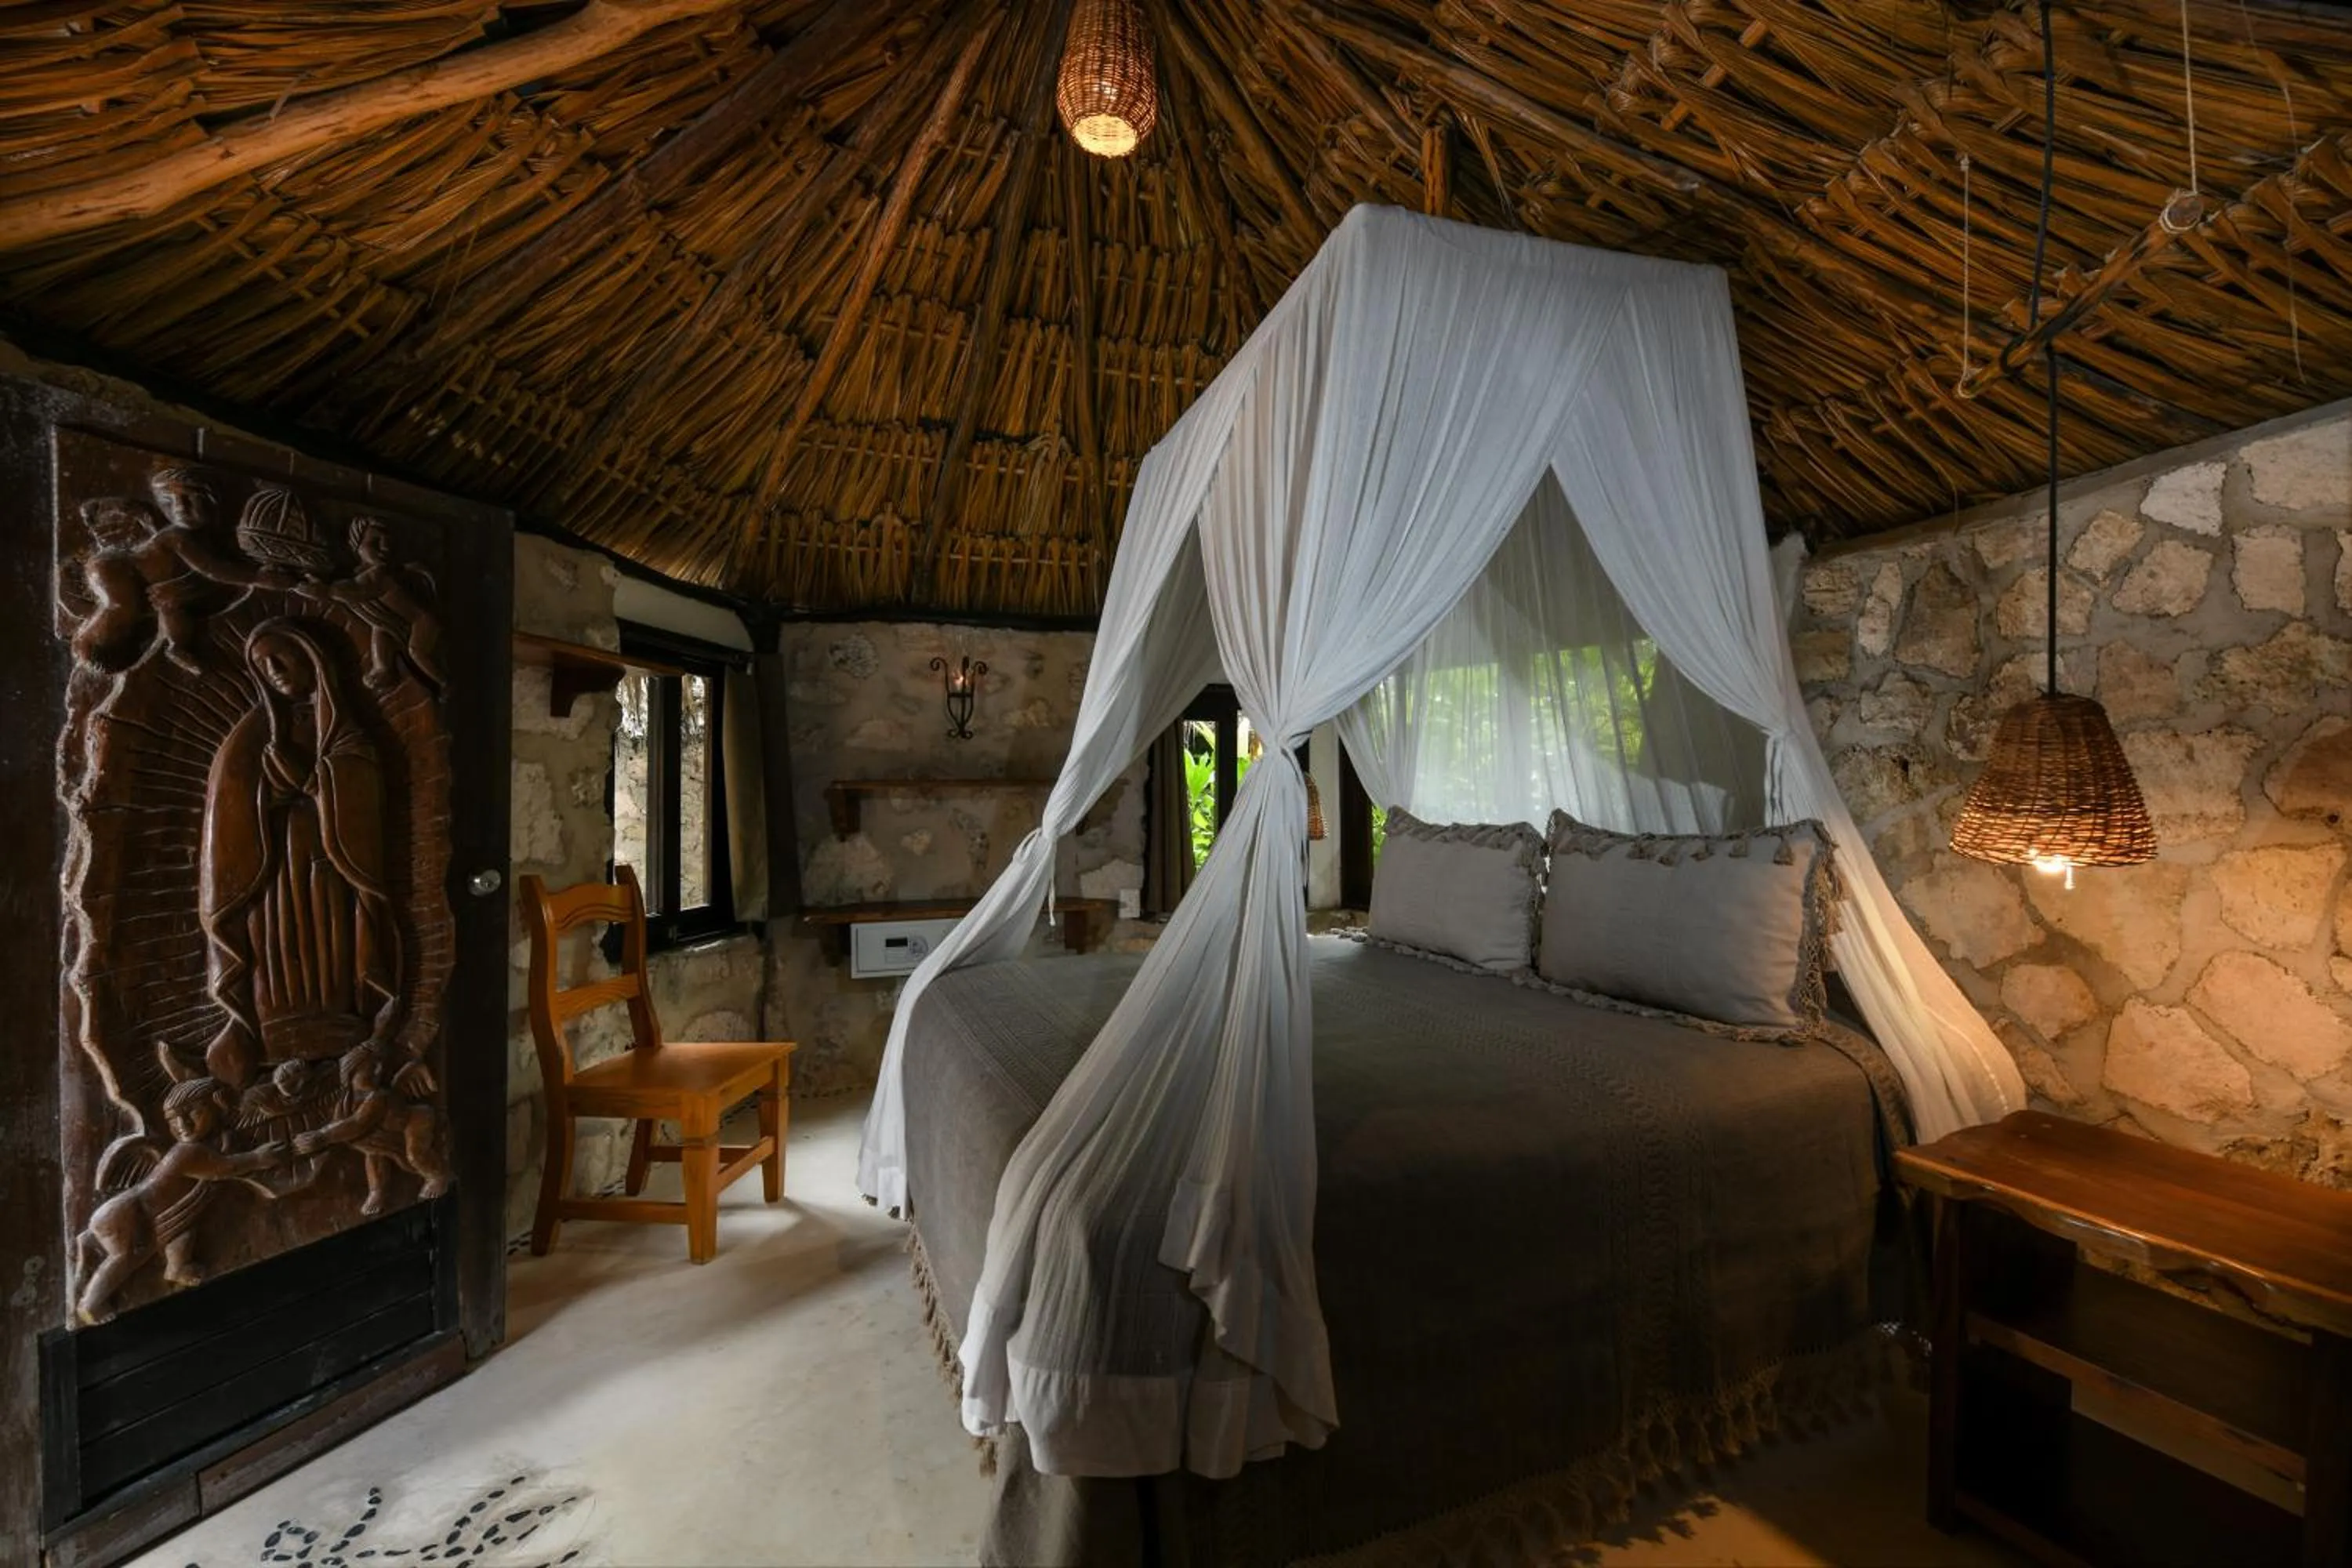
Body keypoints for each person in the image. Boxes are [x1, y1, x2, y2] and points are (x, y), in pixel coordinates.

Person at [73, 1079, 289, 1321]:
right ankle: (90, 1303)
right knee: (124, 1258)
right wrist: (259, 1158)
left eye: (193, 1112)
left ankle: (176, 1268)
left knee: (184, 1228)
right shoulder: (188, 1152)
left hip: (161, 1212)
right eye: (173, 1119)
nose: (183, 1125)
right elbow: (224, 1168)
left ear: (216, 1104)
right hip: (127, 1213)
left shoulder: (210, 1143)